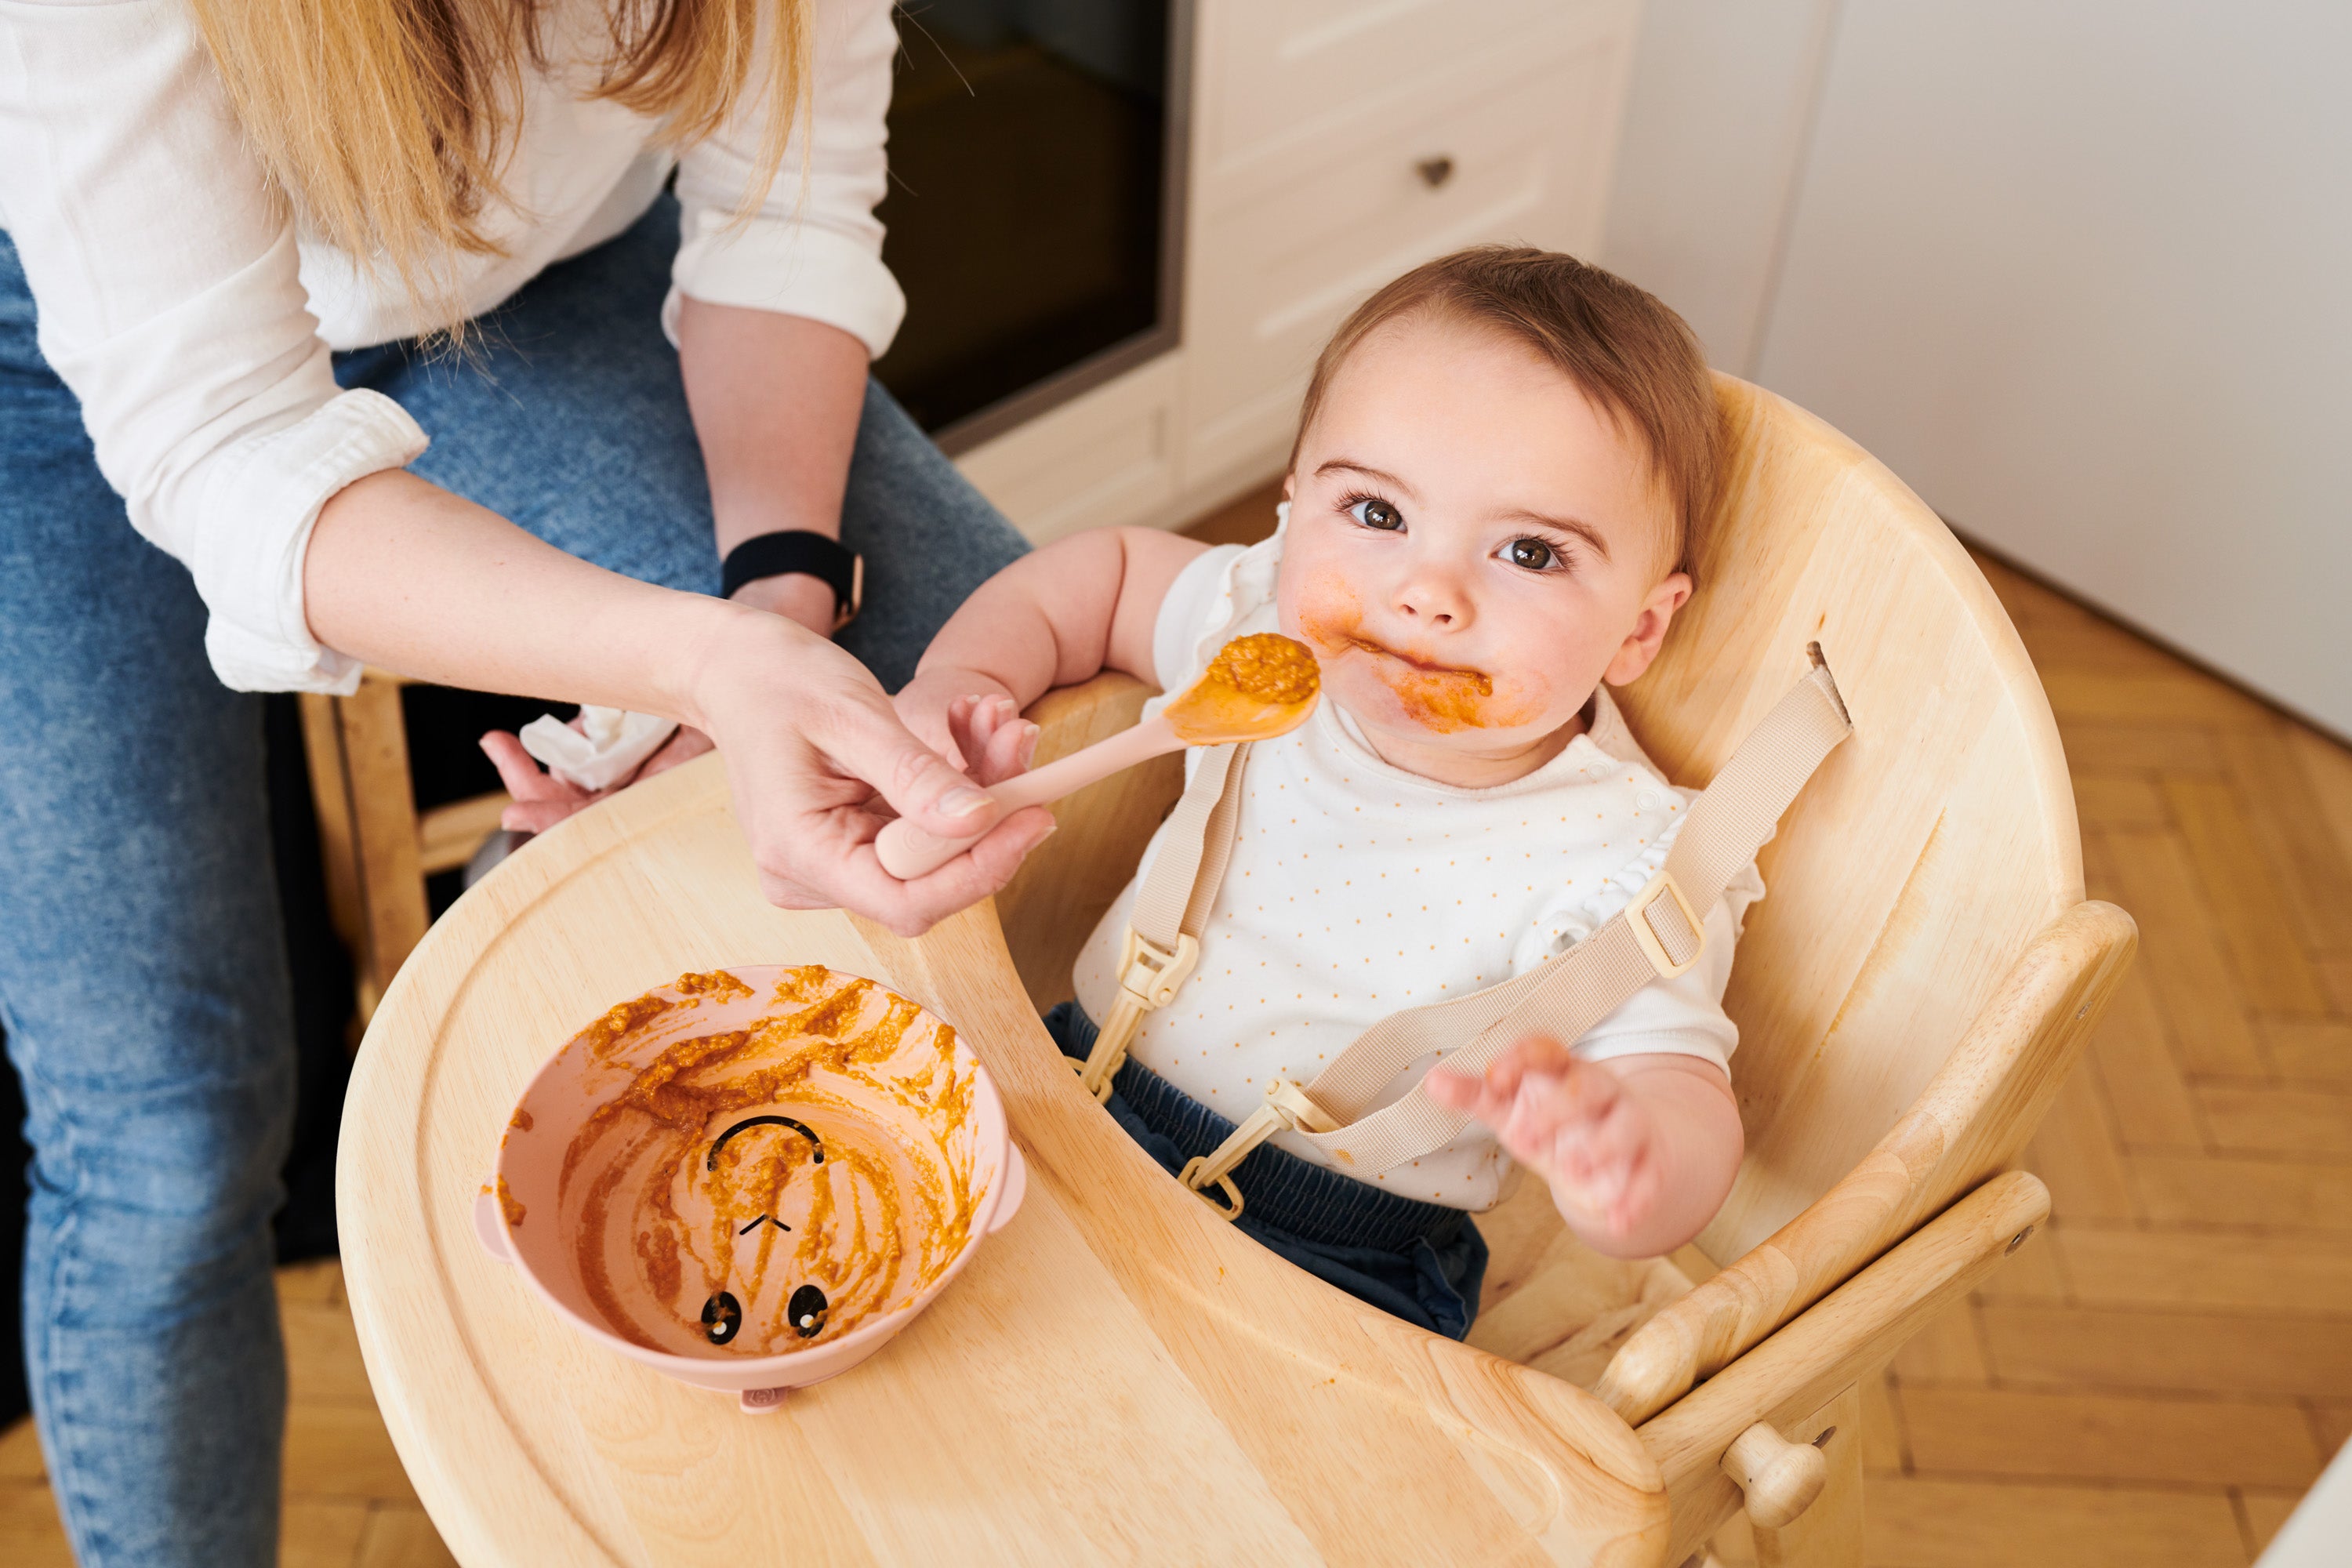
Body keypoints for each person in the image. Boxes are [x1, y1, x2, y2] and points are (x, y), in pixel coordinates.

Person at [0, 1, 1054, 1562]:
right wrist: (689, 667)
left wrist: (769, 619)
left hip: (543, 271)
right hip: (58, 343)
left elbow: (789, 210)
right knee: (164, 1128)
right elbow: (227, 440)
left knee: (946, 704)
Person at [895, 248, 1752, 1339]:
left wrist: (1630, 1156)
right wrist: (963, 680)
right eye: (1379, 516)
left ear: (1637, 629)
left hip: (1337, 1264)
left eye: (1530, 552)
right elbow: (1102, 578)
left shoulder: (1622, 862)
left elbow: (1684, 1094)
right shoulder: (1258, 641)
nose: (1427, 593)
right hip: (1069, 1092)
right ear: (1296, 510)